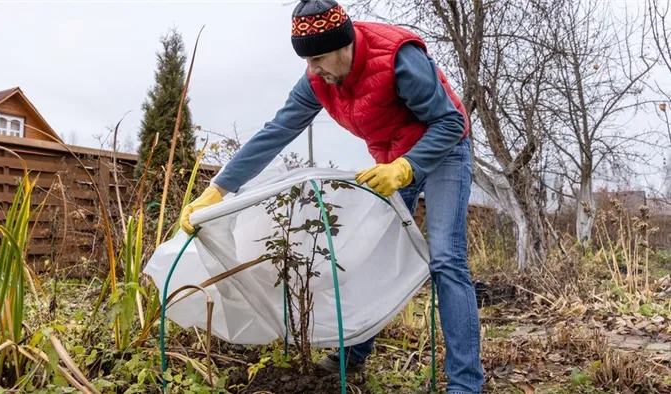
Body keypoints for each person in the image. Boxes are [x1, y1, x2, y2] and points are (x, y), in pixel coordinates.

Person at [180, 0, 484, 392]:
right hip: (390, 158)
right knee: (370, 254)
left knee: (445, 259)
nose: (313, 70)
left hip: (443, 149)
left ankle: (465, 383)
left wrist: (408, 168)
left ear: (346, 45)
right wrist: (218, 189)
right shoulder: (318, 80)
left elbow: (449, 121)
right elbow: (275, 132)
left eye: (319, 58)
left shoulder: (398, 59)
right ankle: (353, 355)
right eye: (307, 61)